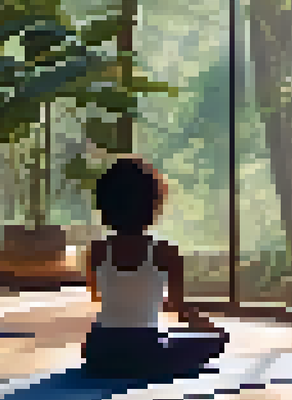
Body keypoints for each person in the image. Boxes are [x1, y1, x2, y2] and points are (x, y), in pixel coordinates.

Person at [81, 157, 228, 379]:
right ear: (153, 204)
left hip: (99, 350)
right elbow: (181, 310)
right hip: (146, 353)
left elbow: (97, 296)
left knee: (150, 342)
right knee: (214, 342)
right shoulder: (166, 252)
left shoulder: (97, 250)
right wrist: (214, 330)